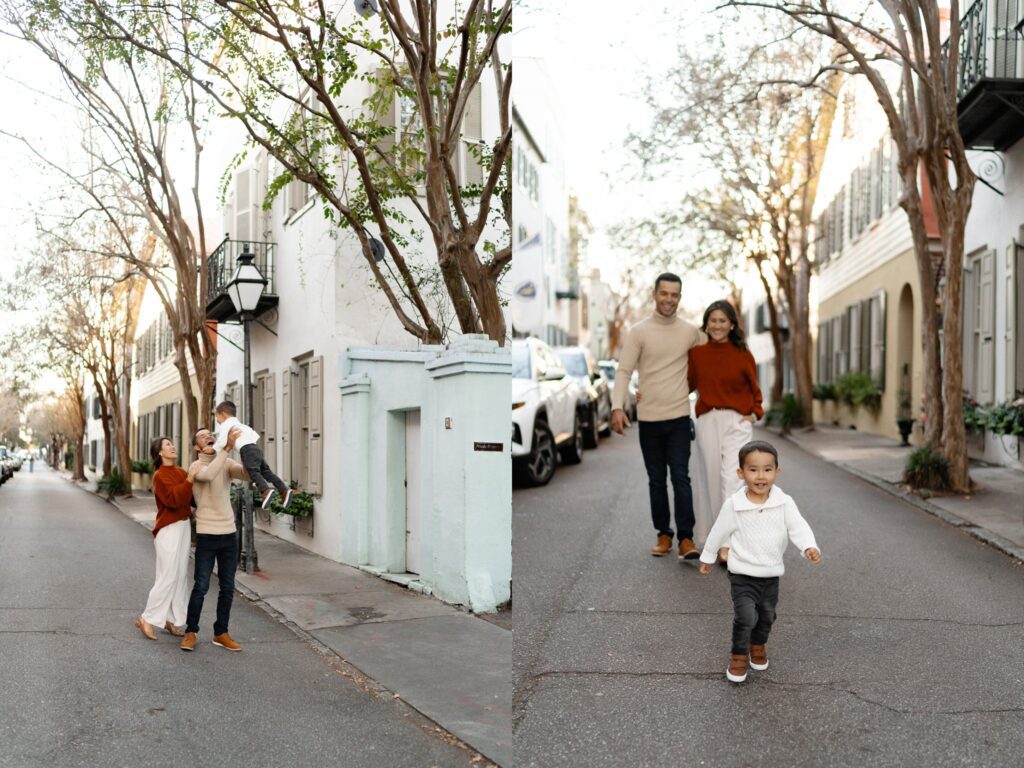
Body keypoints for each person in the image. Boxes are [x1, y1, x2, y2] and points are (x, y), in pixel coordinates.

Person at [699, 440, 821, 684]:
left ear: (777, 472)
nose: (760, 476)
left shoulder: (784, 502)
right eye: (753, 469)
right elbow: (718, 532)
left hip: (770, 575)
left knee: (766, 616)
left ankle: (758, 645)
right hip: (742, 574)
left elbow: (798, 526)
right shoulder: (734, 505)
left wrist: (809, 546)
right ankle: (738, 656)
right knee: (745, 616)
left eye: (767, 469)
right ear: (741, 473)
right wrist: (708, 557)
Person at [611, 272, 706, 559]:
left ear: (679, 297)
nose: (669, 299)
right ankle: (663, 534)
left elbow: (714, 352)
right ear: (654, 294)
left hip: (678, 416)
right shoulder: (639, 331)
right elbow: (624, 370)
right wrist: (618, 406)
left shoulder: (690, 332)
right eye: (664, 293)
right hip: (649, 419)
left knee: (681, 477)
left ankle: (686, 539)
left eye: (674, 295)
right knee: (656, 480)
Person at [688, 300, 765, 559]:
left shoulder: (743, 354)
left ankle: (729, 544)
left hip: (737, 421)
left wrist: (754, 414)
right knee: (710, 480)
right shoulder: (697, 355)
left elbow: (756, 390)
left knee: (732, 478)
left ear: (732, 324)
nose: (717, 325)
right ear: (706, 324)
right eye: (713, 320)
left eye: (722, 320)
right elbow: (685, 386)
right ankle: (713, 538)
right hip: (708, 419)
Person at [180, 425, 247, 652]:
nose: (208, 436)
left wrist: (244, 447)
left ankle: (221, 633)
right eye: (202, 435)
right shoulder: (196, 466)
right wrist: (226, 447)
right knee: (201, 586)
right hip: (207, 535)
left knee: (228, 587)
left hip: (229, 535)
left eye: (210, 433)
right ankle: (191, 631)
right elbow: (209, 475)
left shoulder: (226, 462)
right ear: (196, 446)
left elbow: (246, 474)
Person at [135, 436, 195, 641]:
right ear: (160, 452)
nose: (173, 446)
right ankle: (148, 618)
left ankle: (171, 619)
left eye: (172, 444)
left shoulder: (181, 472)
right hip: (168, 528)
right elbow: (174, 500)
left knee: (179, 576)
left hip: (184, 526)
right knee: (167, 576)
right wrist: (189, 481)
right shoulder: (160, 476)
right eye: (168, 445)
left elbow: (191, 498)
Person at [213, 400, 291, 510]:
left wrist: (212, 451)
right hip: (256, 448)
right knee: (267, 472)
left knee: (253, 472)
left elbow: (221, 442)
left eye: (216, 416)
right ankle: (284, 490)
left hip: (247, 450)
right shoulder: (240, 424)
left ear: (223, 414)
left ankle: (265, 491)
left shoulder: (227, 424)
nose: (217, 421)